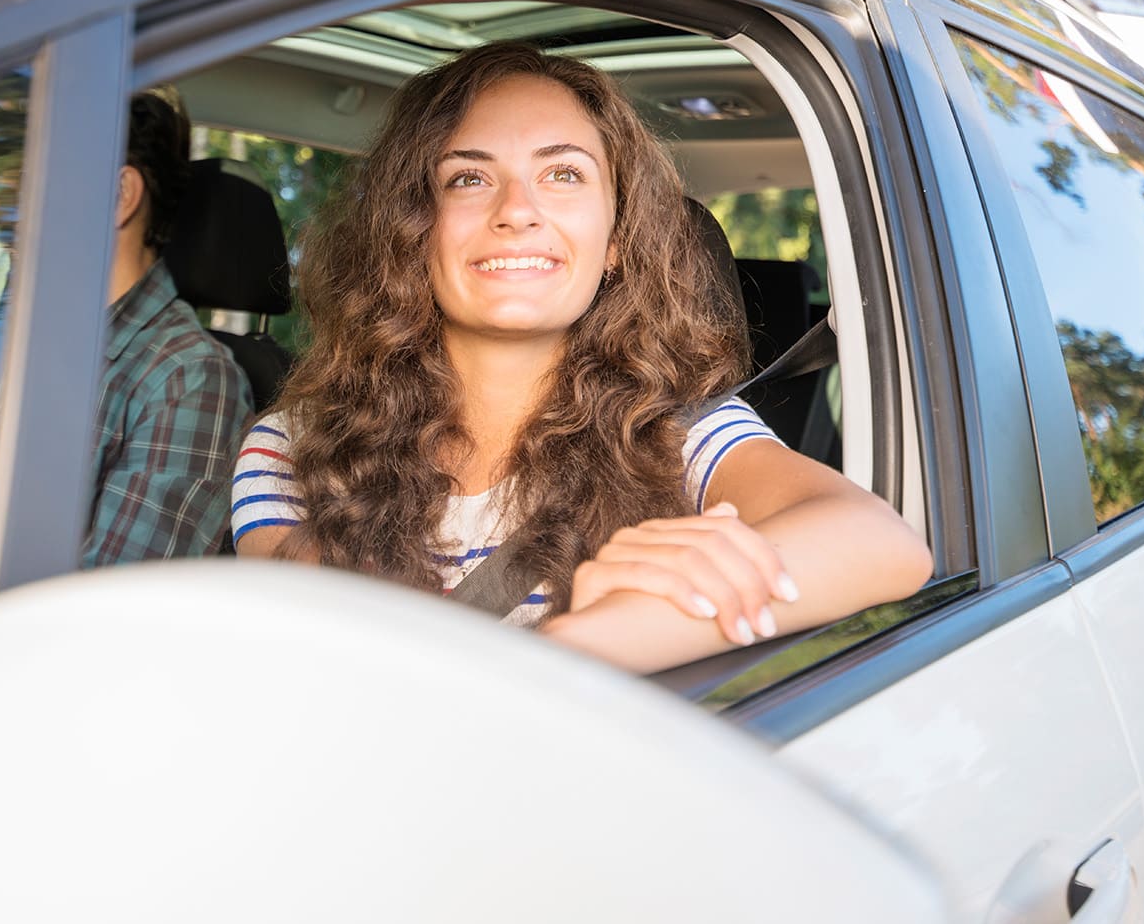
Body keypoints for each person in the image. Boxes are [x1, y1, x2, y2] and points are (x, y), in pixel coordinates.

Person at [231, 42, 932, 673]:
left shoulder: (677, 431)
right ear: (414, 231)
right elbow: (328, 678)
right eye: (468, 179)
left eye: (564, 174)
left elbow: (880, 543)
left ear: (616, 239)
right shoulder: (294, 447)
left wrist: (596, 639)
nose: (517, 210)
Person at [85, 90, 252, 566]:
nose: (8, 215)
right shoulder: (36, 341)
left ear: (120, 196)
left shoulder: (190, 378)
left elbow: (113, 599)